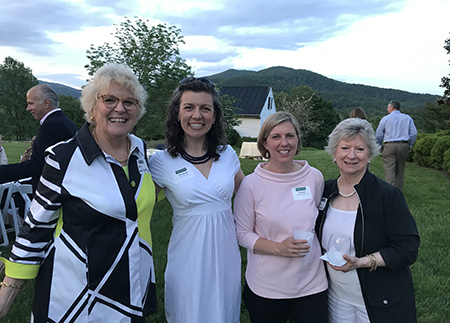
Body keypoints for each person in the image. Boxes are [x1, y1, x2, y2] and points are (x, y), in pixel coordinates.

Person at [0, 63, 158, 322]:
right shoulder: (63, 157)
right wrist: (7, 292)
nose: (120, 108)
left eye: (130, 102)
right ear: (92, 108)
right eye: (109, 99)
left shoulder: (139, 151)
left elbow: (140, 199)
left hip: (131, 285)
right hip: (76, 295)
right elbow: (35, 228)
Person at [148, 77, 245, 323]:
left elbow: (250, 195)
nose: (197, 115)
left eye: (205, 108)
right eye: (189, 107)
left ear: (214, 115)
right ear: (177, 113)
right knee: (188, 311)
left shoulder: (228, 155)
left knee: (224, 309)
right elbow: (139, 205)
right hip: (187, 255)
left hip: (225, 254)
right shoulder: (161, 162)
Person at [316, 118, 420, 323]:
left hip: (380, 301)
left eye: (360, 149)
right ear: (334, 153)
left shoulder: (387, 196)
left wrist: (363, 262)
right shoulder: (324, 192)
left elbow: (407, 249)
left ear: (370, 154)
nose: (351, 155)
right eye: (345, 147)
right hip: (337, 299)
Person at [234, 111, 328, 323]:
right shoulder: (252, 184)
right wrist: (279, 248)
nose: (283, 143)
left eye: (290, 136)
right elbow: (241, 234)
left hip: (311, 284)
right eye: (276, 136)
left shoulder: (314, 177)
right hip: (267, 288)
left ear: (298, 140)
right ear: (264, 143)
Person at [0, 84, 78, 192]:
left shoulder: (52, 126)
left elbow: (36, 165)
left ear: (46, 103)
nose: (28, 109)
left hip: (52, 196)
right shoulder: (65, 122)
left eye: (31, 103)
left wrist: (2, 172)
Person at [375, 100, 417, 191]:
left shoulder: (385, 119)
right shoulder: (407, 118)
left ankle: (390, 190)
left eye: (388, 107)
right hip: (403, 145)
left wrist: (380, 145)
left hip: (389, 145)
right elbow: (413, 133)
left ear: (392, 107)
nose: (387, 109)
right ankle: (398, 191)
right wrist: (410, 145)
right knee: (400, 168)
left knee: (389, 169)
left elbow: (378, 134)